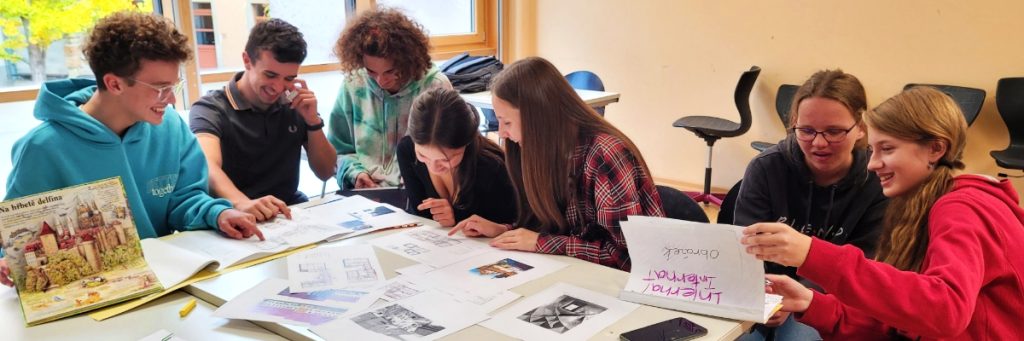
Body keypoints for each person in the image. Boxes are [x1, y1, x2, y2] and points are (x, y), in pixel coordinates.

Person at [1, 12, 262, 286]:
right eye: (160, 88)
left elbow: (184, 200)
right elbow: (17, 236)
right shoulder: (42, 148)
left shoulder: (170, 127)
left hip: (162, 283)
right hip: (85, 293)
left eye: (174, 86)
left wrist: (218, 213)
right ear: (114, 84)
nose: (171, 99)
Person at [742, 86, 1024, 340]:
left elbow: (945, 310)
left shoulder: (962, 208)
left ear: (936, 149)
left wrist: (814, 255)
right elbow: (902, 320)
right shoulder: (917, 207)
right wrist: (812, 303)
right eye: (873, 150)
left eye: (887, 149)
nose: (873, 164)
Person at [448, 57, 664, 271]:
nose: (502, 133)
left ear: (538, 117)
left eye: (507, 122)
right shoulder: (540, 150)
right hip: (575, 272)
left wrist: (542, 243)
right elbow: (549, 226)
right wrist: (504, 231)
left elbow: (628, 257)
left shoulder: (606, 154)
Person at [734, 70, 887, 340]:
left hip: (828, 300)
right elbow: (745, 249)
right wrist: (768, 294)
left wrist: (801, 296)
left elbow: (864, 267)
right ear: (793, 124)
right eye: (806, 130)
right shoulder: (766, 168)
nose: (819, 143)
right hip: (762, 294)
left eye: (835, 131)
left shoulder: (877, 182)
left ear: (861, 127)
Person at [190, 19, 336, 221]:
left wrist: (313, 121)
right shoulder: (210, 108)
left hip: (289, 211)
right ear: (247, 60)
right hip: (235, 215)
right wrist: (242, 203)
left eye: (288, 78)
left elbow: (326, 172)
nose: (278, 87)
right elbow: (207, 166)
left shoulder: (294, 103)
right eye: (270, 75)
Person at [327, 8, 452, 190]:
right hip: (364, 194)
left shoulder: (434, 86)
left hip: (419, 191)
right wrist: (355, 173)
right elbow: (338, 149)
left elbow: (451, 152)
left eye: (391, 72)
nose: (381, 80)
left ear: (407, 60)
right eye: (371, 72)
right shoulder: (354, 84)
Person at [396, 87, 516, 228]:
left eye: (445, 160)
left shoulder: (492, 167)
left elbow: (511, 225)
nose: (434, 167)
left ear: (466, 142)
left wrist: (457, 218)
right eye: (423, 156)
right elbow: (420, 214)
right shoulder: (407, 151)